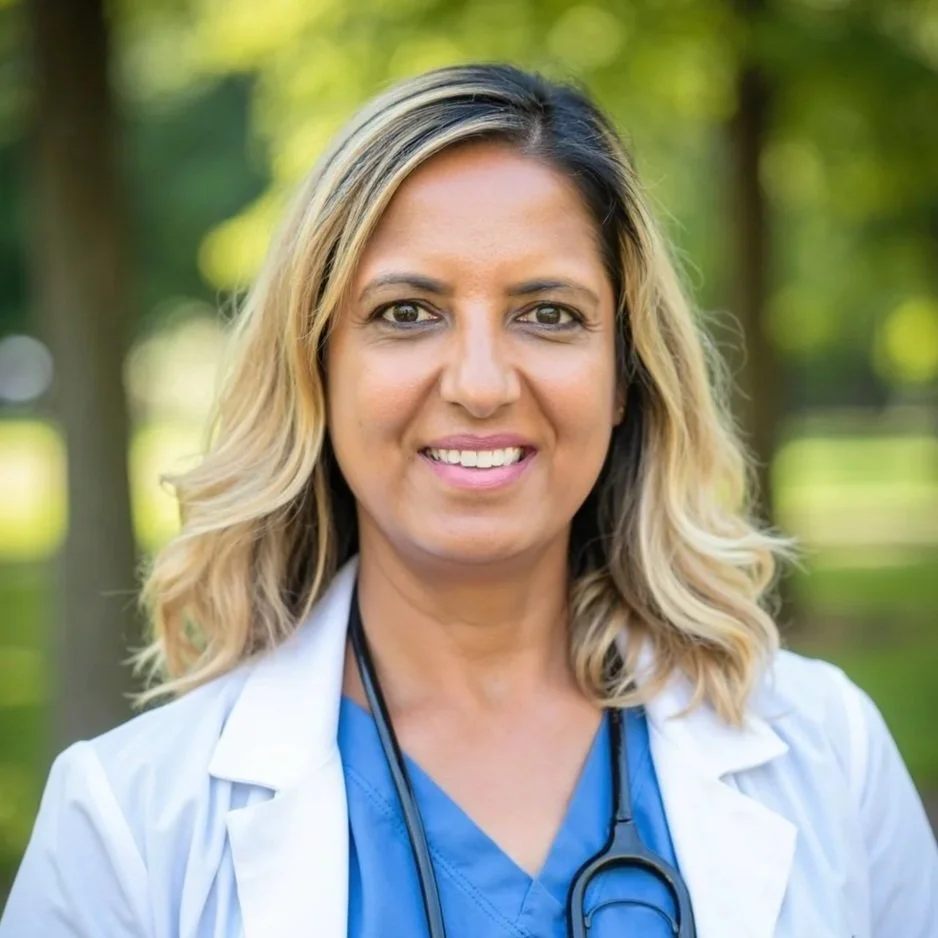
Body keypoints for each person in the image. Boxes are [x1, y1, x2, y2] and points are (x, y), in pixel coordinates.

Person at [2, 63, 936, 938]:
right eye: (407, 313)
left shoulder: (828, 755)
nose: (482, 383)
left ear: (624, 378)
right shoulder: (129, 823)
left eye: (549, 313)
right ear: (317, 371)